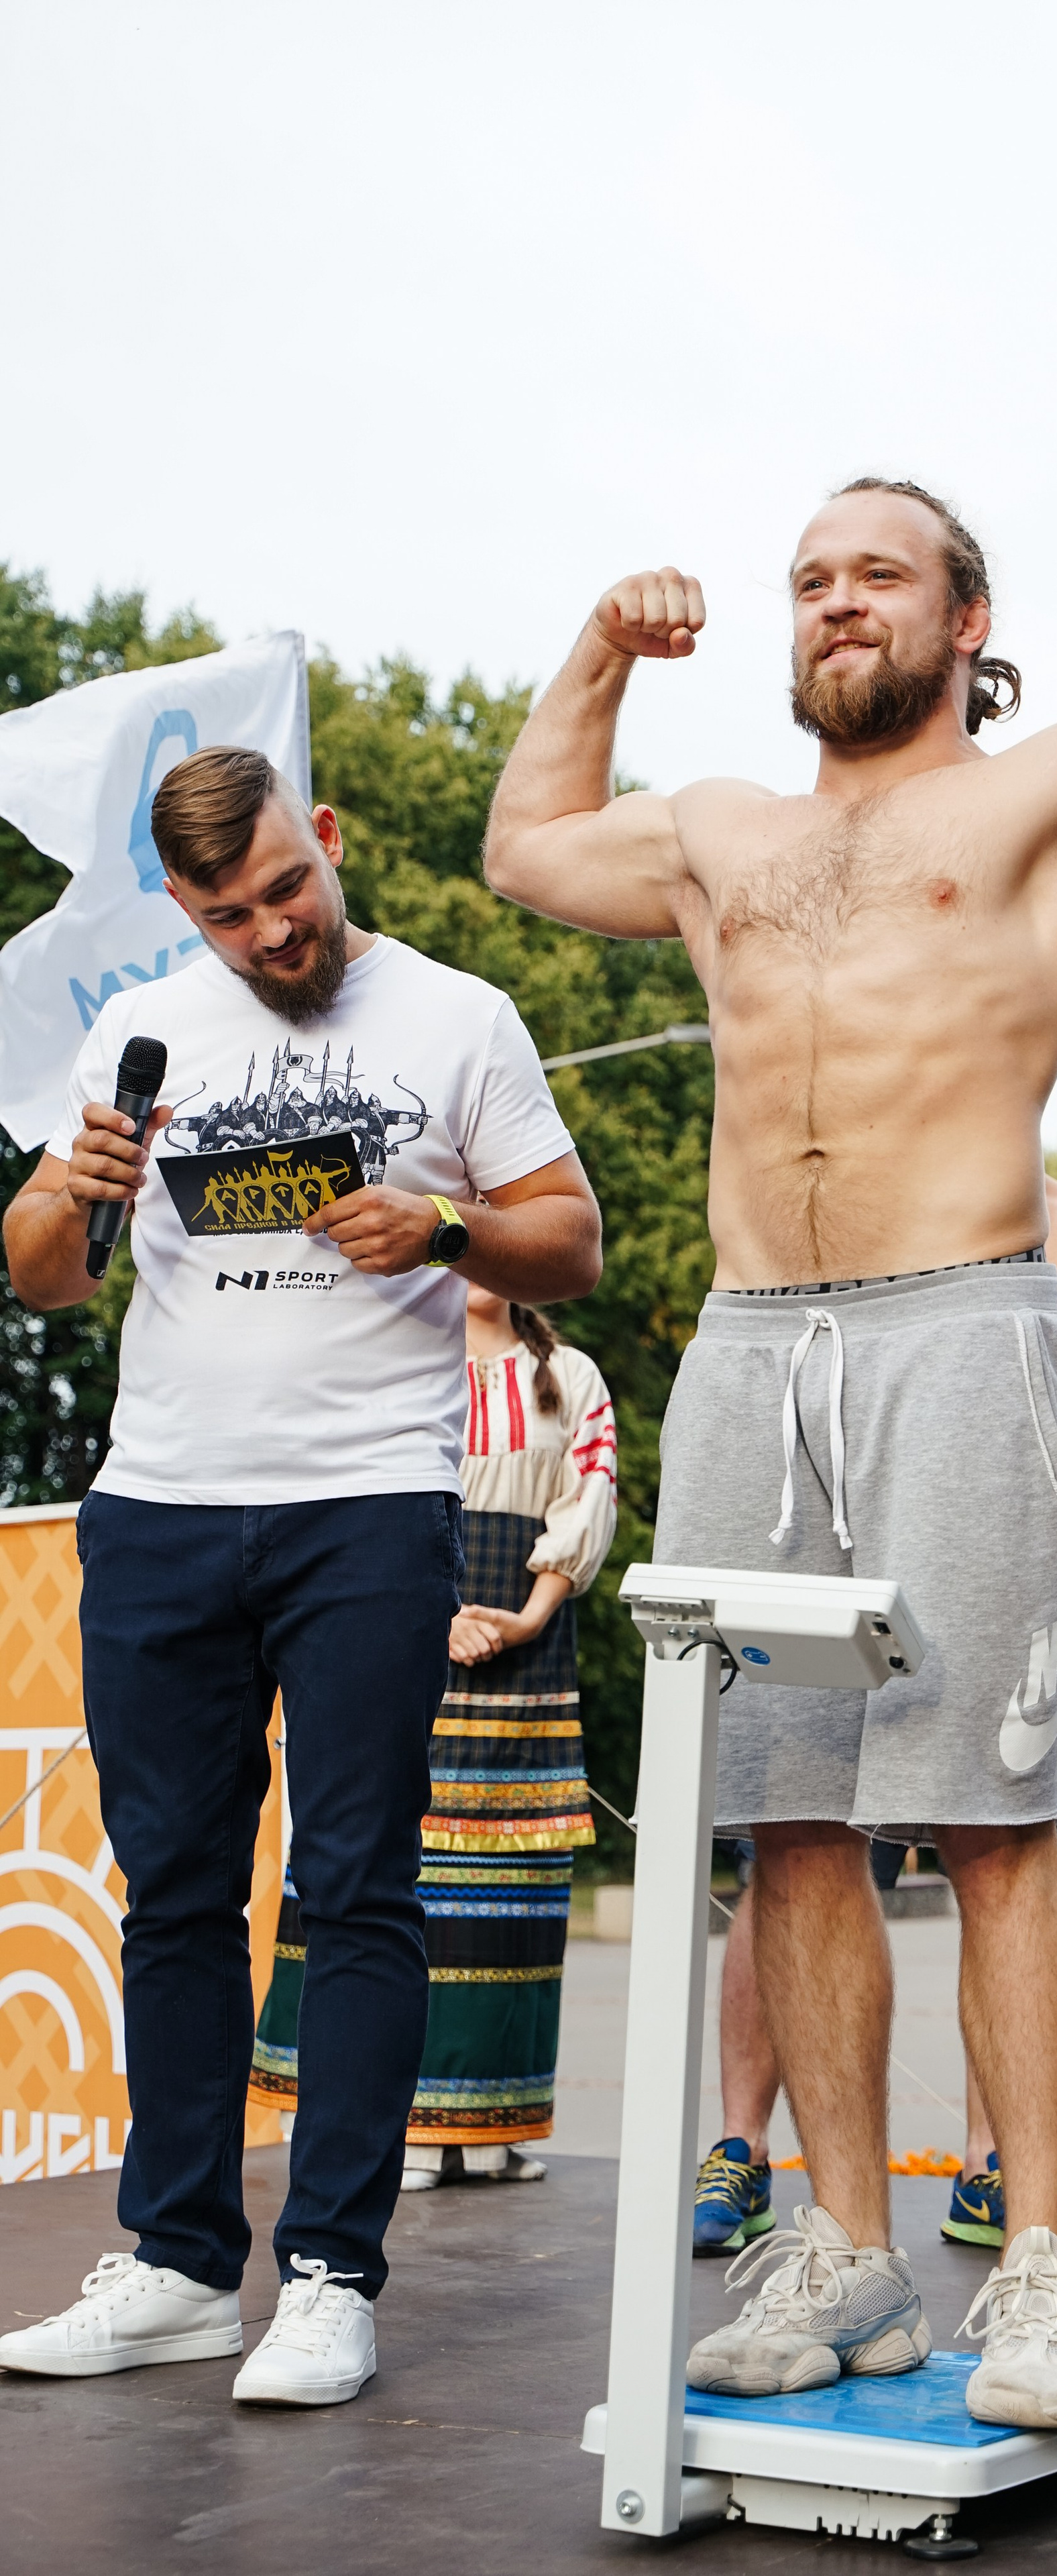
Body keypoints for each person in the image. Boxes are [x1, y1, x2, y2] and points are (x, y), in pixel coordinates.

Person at [484, 477, 1057, 2425]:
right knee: (790, 1826)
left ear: (964, 617)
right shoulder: (723, 830)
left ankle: (1046, 2264)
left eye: (876, 575)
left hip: (963, 1331)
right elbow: (525, 846)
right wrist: (597, 647)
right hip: (752, 1353)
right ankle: (849, 2249)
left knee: (989, 1829)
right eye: (808, 582)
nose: (835, 606)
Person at [0, 748, 601, 2405]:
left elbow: (574, 1237)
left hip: (364, 1512)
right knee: (174, 1899)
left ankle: (329, 2275)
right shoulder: (144, 1034)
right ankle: (182, 2264)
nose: (272, 931)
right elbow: (44, 1276)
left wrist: (450, 1230)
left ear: (325, 843)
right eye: (228, 913)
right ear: (184, 913)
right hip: (160, 1508)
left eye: (286, 890)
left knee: (352, 1895)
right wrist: (70, 1196)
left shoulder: (457, 1017)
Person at [690, 1175, 1057, 2267]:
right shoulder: (817, 1217)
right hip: (840, 1531)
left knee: (994, 1842)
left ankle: (1000, 2168)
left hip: (990, 1550)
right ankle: (744, 2145)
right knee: (792, 1835)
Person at [251, 1285, 618, 2192]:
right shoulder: (391, 1356)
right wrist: (435, 1609)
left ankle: (494, 2121)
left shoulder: (568, 1377)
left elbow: (589, 1493)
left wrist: (529, 1617)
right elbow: (353, 1490)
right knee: (390, 1863)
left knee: (512, 1886)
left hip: (527, 1639)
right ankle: (397, 2126)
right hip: (396, 1614)